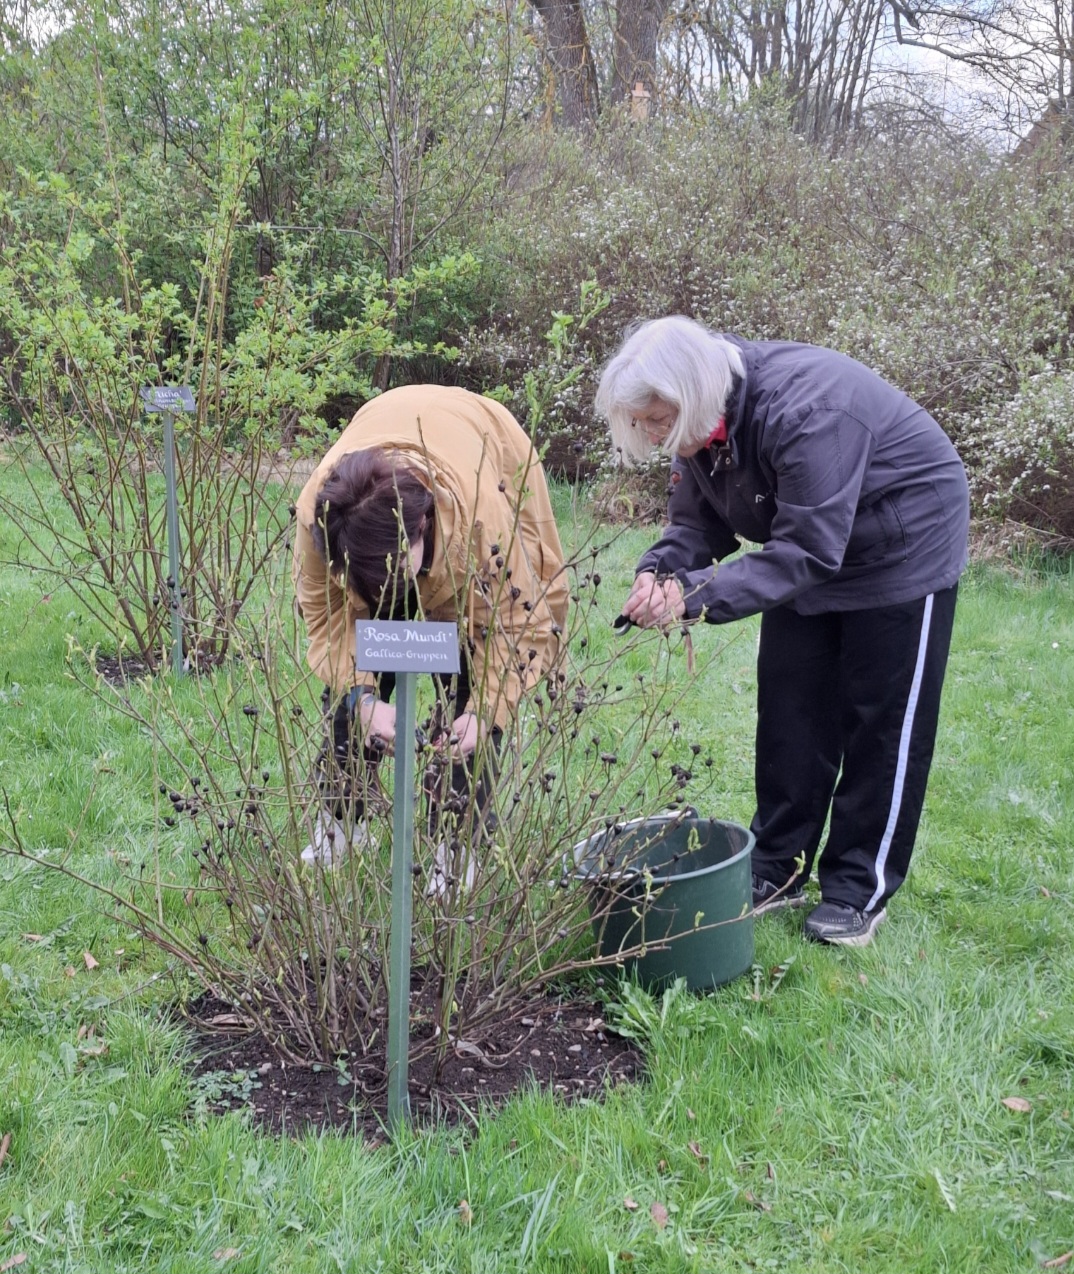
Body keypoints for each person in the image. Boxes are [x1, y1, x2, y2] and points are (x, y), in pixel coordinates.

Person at [596, 316, 970, 946]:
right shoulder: (701, 427)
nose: (657, 436)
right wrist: (659, 572)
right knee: (792, 711)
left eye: (661, 420)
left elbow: (807, 551)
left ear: (693, 392)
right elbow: (699, 528)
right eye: (646, 424)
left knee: (880, 723)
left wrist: (695, 598)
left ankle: (857, 889)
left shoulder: (807, 409)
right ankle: (777, 866)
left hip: (904, 545)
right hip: (810, 547)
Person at [292, 384, 569, 887]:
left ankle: (454, 849)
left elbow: (516, 627)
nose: (383, 591)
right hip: (387, 448)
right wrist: (361, 696)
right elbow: (329, 617)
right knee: (350, 699)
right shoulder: (321, 516)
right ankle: (341, 826)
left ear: (421, 526)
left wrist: (484, 714)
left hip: (484, 445)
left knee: (473, 701)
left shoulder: (489, 523)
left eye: (393, 574)